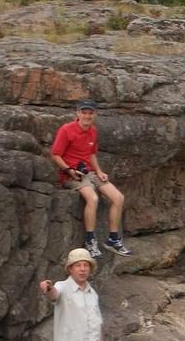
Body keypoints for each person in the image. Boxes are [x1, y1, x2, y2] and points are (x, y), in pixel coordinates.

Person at [51, 100, 131, 258]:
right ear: (78, 113)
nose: (87, 116)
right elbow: (55, 154)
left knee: (118, 197)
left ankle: (113, 240)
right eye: (84, 112)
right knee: (93, 199)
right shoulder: (67, 130)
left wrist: (100, 171)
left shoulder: (93, 131)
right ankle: (90, 240)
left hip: (89, 172)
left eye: (91, 113)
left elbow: (91, 154)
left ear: (95, 114)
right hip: (71, 174)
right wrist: (68, 169)